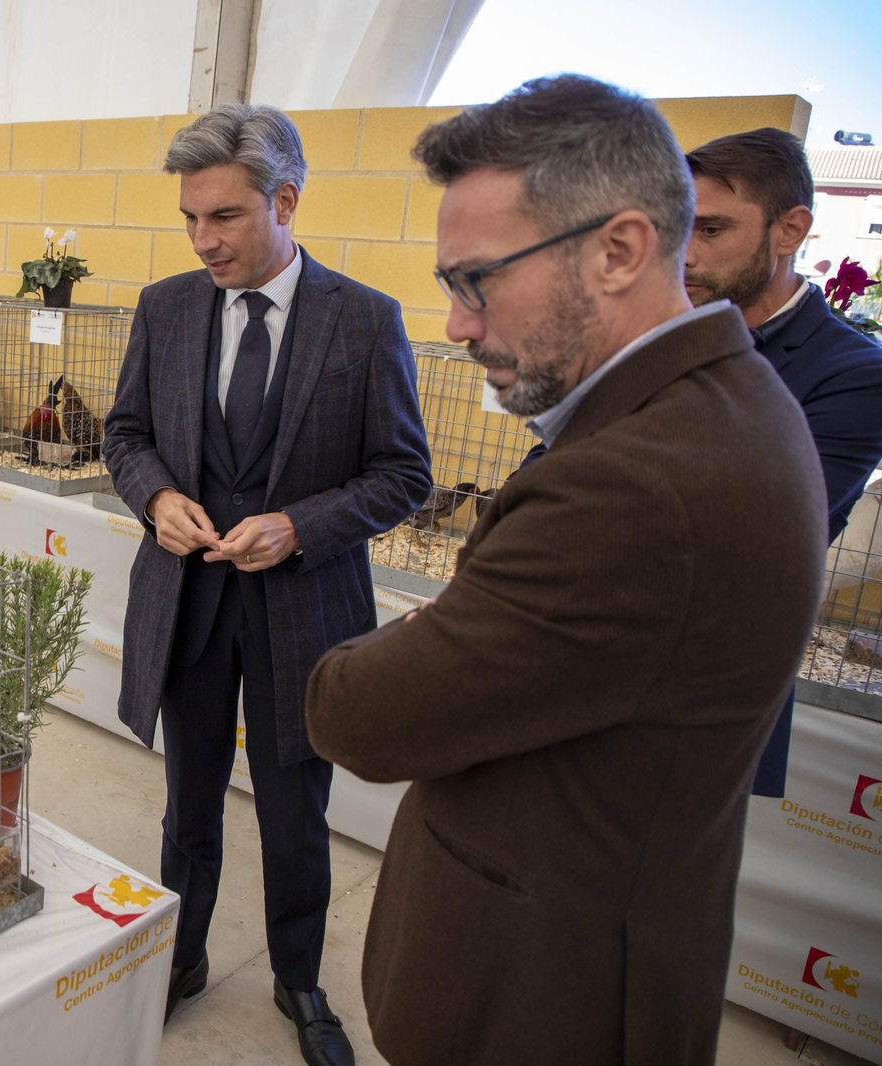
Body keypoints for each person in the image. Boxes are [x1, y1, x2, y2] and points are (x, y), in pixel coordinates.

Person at [304, 75, 828, 1066]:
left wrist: (424, 632)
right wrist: (456, 623)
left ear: (618, 250)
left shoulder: (632, 484)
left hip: (543, 1002)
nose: (457, 325)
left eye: (477, 280)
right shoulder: (725, 401)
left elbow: (355, 714)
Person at [102, 103, 430, 1066]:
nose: (203, 240)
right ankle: (182, 957)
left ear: (285, 202)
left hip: (305, 616)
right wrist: (157, 496)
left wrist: (300, 526)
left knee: (295, 817)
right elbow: (126, 435)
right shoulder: (165, 308)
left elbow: (403, 474)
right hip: (191, 609)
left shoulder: (364, 320)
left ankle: (299, 980)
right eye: (190, 219)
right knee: (188, 808)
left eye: (225, 217)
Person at [684, 128, 882, 796]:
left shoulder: (854, 374)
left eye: (712, 230)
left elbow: (754, 543)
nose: (684, 253)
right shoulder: (650, 336)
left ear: (789, 230)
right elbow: (540, 475)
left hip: (703, 702)